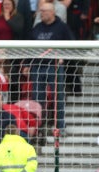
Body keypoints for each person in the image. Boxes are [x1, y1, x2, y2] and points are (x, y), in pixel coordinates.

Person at [30, 1, 74, 134]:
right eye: (40, 11)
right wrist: (27, 64)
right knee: (38, 98)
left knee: (58, 97)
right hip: (38, 67)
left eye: (44, 11)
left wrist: (63, 56)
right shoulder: (37, 27)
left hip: (54, 67)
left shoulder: (62, 27)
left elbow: (72, 45)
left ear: (52, 12)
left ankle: (60, 126)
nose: (41, 13)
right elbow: (29, 47)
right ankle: (39, 126)